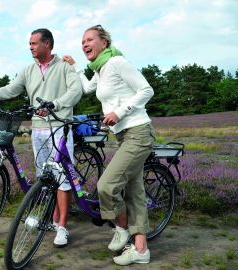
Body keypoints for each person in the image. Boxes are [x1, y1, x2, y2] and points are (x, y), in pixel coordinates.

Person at [0, 28, 82, 247]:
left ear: (48, 44)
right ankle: (50, 219)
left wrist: (56, 104)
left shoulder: (64, 67)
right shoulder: (28, 70)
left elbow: (76, 91)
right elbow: (11, 89)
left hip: (60, 128)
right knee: (45, 176)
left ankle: (62, 226)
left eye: (34, 43)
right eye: (29, 44)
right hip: (38, 129)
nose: (30, 47)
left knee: (61, 178)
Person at [62, 25, 155, 265]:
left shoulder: (117, 62)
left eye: (89, 39)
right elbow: (87, 88)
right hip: (124, 136)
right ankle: (141, 250)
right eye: (82, 41)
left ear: (104, 42)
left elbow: (147, 90)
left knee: (106, 185)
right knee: (135, 192)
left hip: (138, 132)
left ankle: (122, 228)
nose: (84, 44)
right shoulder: (101, 70)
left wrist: (120, 111)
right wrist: (74, 66)